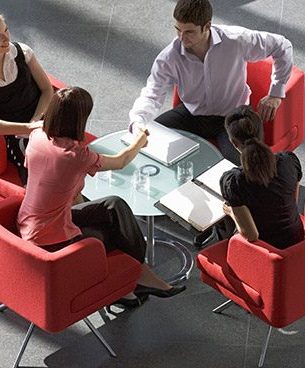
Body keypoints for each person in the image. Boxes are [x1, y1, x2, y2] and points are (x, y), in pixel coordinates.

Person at [17, 87, 185, 309]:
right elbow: (121, 160)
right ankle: (135, 279)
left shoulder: (37, 135)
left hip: (31, 221)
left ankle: (135, 277)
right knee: (112, 233)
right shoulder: (75, 155)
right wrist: (139, 141)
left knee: (113, 205)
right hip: (51, 238)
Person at [128, 0, 293, 165]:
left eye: (189, 32)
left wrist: (276, 93)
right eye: (178, 30)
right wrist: (138, 122)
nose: (181, 38)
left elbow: (282, 46)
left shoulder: (236, 41)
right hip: (191, 116)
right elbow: (152, 94)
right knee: (149, 141)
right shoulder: (169, 57)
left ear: (207, 26)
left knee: (237, 168)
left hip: (233, 118)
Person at [219, 105, 303, 249]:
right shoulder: (289, 161)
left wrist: (231, 212)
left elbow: (251, 235)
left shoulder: (234, 182)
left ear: (233, 142)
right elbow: (292, 201)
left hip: (266, 252)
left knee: (225, 222)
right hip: (297, 241)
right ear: (261, 133)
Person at [0, 14, 53, 184]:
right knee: (37, 162)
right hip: (15, 133)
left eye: (6, 30)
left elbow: (47, 90)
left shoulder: (22, 52)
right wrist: (28, 128)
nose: (5, 38)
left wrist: (37, 119)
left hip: (41, 117)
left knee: (68, 154)